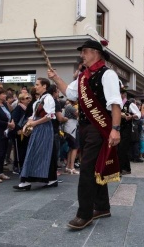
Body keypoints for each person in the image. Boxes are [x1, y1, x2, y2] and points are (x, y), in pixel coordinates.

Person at [48, 39, 122, 230]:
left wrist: (115, 129)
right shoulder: (83, 77)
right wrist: (56, 78)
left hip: (99, 129)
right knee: (96, 168)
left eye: (85, 51)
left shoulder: (108, 74)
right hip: (86, 128)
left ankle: (84, 214)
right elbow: (71, 94)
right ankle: (103, 207)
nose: (82, 55)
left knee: (87, 171)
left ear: (96, 53)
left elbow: (115, 103)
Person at [13, 78, 57, 190]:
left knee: (38, 152)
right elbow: (33, 115)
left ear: (44, 86)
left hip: (44, 128)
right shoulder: (40, 99)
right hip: (38, 128)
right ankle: (29, 180)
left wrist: (34, 123)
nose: (35, 86)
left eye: (37, 84)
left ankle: (27, 180)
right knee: (35, 152)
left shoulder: (48, 98)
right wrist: (28, 123)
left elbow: (50, 116)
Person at [118, 88, 141, 175]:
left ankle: (121, 169)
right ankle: (127, 168)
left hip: (126, 129)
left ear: (123, 94)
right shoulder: (117, 104)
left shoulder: (129, 104)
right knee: (120, 149)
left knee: (122, 149)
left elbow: (138, 114)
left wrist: (131, 116)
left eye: (119, 93)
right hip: (118, 128)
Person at [10, 93, 32, 174]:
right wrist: (17, 130)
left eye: (29, 98)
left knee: (24, 149)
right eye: (26, 98)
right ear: (21, 100)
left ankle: (23, 166)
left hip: (26, 132)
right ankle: (17, 166)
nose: (29, 99)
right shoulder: (18, 108)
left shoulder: (28, 108)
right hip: (19, 133)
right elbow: (14, 120)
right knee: (19, 150)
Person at [63, 99, 80, 174]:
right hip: (71, 128)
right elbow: (78, 113)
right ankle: (72, 167)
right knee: (75, 148)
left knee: (71, 148)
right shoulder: (70, 107)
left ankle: (68, 166)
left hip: (68, 128)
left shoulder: (67, 106)